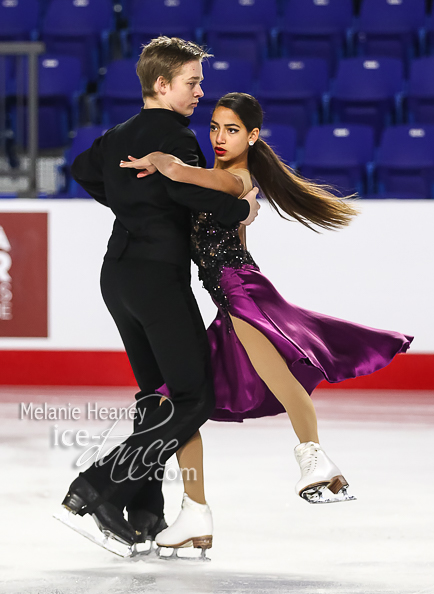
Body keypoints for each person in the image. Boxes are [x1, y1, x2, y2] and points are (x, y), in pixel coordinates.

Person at [120, 92, 413, 553]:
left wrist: (159, 158)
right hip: (230, 299)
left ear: (253, 136)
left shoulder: (234, 178)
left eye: (232, 130)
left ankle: (316, 459)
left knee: (282, 381)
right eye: (214, 127)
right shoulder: (227, 181)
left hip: (241, 294)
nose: (219, 137)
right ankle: (194, 511)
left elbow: (180, 173)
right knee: (175, 404)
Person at [59, 39, 260, 551]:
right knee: (193, 398)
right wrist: (242, 210)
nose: (200, 92)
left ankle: (145, 512)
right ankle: (98, 485)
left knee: (158, 395)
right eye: (193, 82)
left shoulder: (119, 134)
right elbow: (190, 193)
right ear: (163, 84)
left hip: (118, 276)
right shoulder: (176, 136)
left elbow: (82, 169)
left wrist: (128, 202)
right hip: (155, 277)